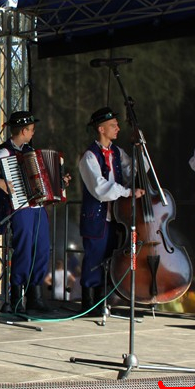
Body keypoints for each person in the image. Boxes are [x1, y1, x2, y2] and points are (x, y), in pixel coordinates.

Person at [0, 111, 60, 314]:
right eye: (31, 130)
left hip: (38, 208)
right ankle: (16, 297)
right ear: (24, 131)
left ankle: (35, 296)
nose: (33, 133)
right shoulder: (4, 152)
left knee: (42, 249)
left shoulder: (31, 152)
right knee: (24, 249)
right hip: (21, 207)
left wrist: (59, 183)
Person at [78, 107, 142, 314]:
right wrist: (127, 192)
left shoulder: (117, 152)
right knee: (94, 258)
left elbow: (135, 170)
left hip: (115, 216)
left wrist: (140, 150)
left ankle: (102, 300)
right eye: (113, 125)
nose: (118, 128)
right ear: (101, 129)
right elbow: (100, 188)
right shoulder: (90, 157)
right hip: (97, 216)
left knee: (110, 256)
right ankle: (89, 303)